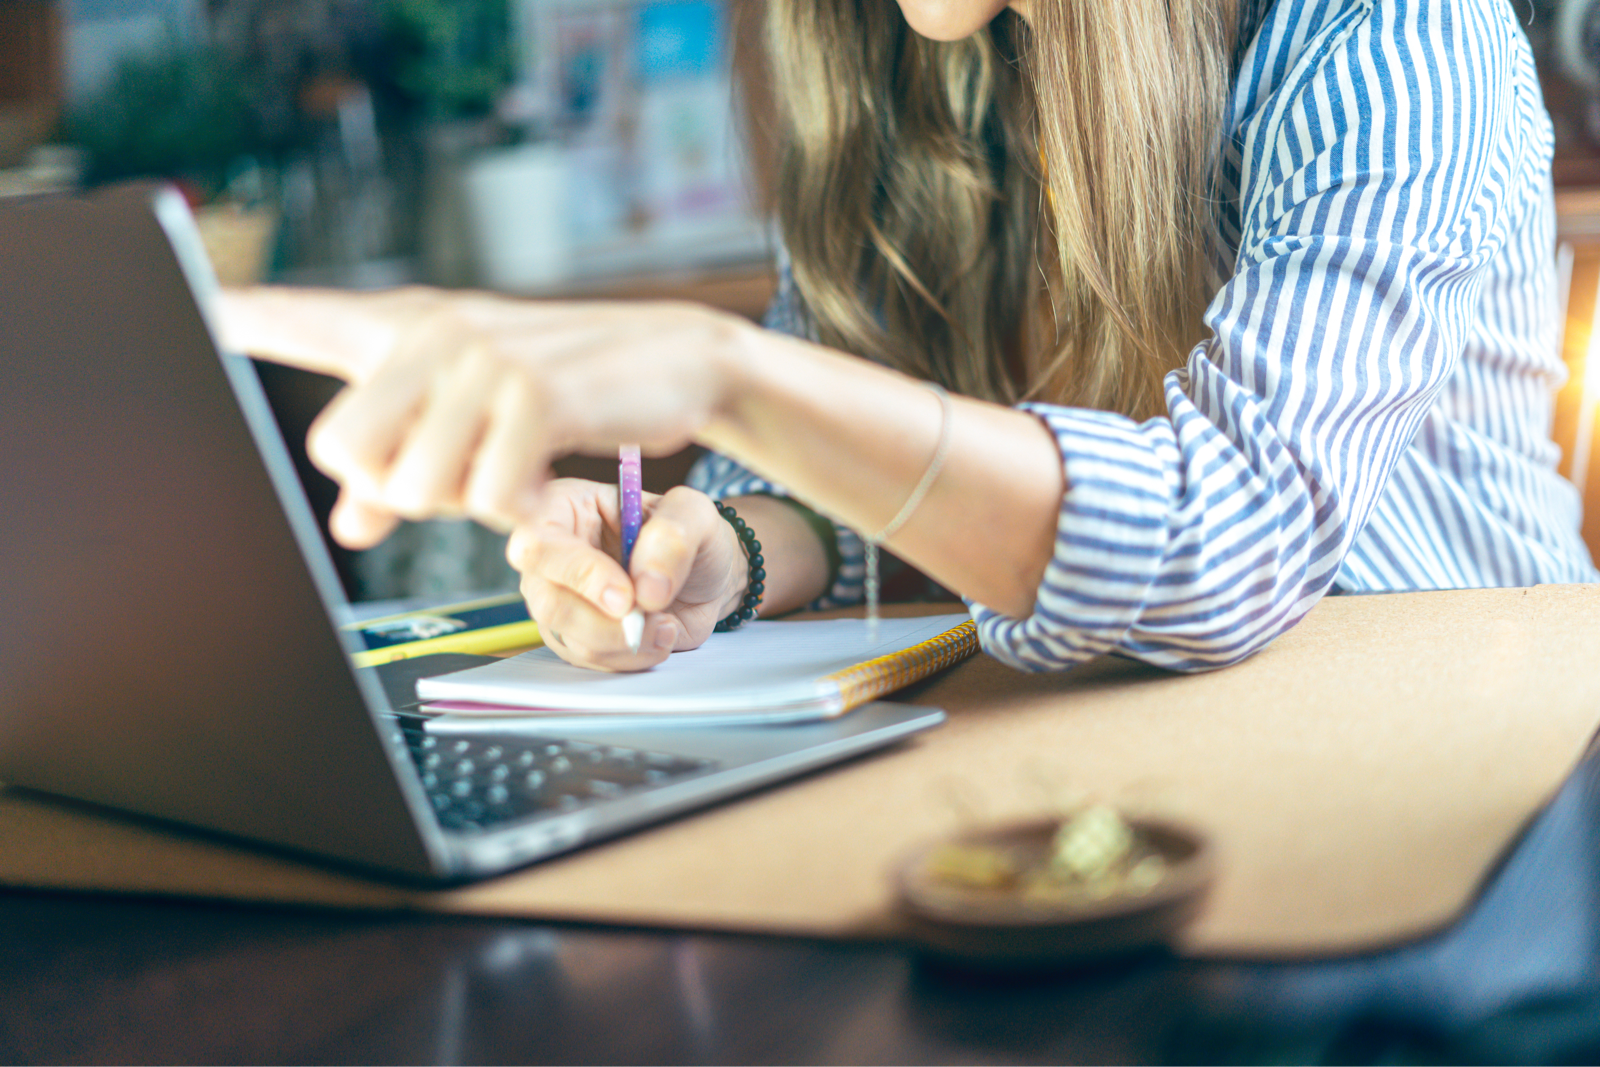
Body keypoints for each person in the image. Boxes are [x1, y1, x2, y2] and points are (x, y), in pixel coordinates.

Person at [219, 0, 1597, 675]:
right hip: (1146, 767)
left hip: (1475, 787)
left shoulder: (1395, 39)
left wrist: (725, 373)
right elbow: (909, 498)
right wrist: (737, 548)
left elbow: (1225, 547)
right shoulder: (914, 61)